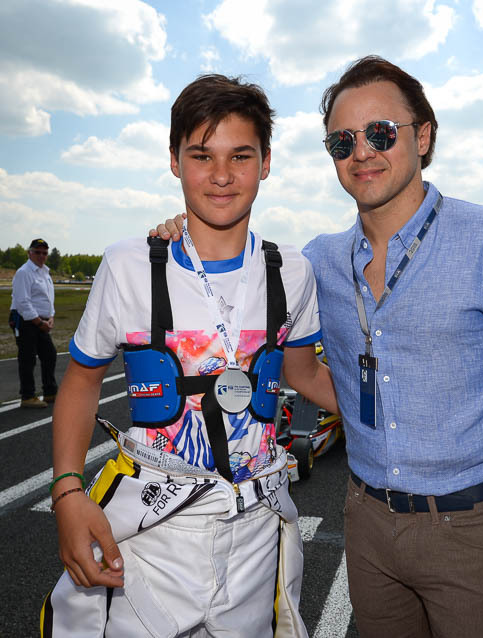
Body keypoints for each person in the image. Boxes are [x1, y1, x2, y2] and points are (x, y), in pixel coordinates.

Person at [155, 57, 483, 638]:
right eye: (342, 141)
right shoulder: (318, 262)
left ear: (424, 135)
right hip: (367, 525)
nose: (362, 151)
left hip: (473, 529)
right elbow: (287, 351)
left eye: (381, 133)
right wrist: (179, 237)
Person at [42, 74, 338, 638]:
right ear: (174, 160)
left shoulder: (292, 272)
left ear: (267, 162)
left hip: (256, 529)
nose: (222, 175)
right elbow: (82, 381)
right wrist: (66, 492)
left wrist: (397, 404)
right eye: (201, 155)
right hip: (149, 533)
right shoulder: (129, 265)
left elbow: (302, 373)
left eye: (240, 156)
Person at [10, 238, 57, 408]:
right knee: (27, 359)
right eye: (37, 252)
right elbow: (23, 302)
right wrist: (39, 322)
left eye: (44, 253)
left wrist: (50, 317)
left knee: (49, 355)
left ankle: (50, 392)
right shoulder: (24, 272)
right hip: (25, 320)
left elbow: (47, 298)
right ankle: (28, 396)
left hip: (41, 321)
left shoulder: (44, 272)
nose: (41, 255)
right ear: (29, 253)